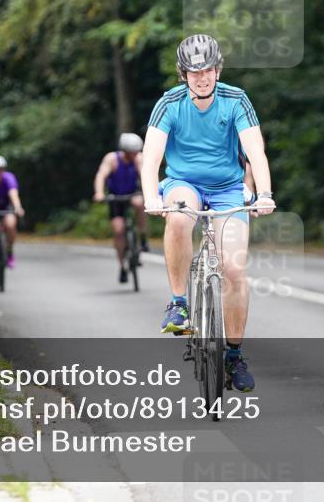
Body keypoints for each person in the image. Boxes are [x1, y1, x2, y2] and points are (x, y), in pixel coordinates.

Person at [141, 33, 275, 393]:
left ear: (218, 70)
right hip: (184, 182)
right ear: (183, 74)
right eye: (194, 72)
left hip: (229, 187)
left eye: (208, 70)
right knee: (180, 217)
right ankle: (179, 304)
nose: (202, 78)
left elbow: (256, 152)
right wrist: (151, 195)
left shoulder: (236, 100)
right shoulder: (169, 103)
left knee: (234, 268)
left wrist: (264, 193)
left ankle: (233, 355)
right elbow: (152, 157)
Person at [93, 132, 149, 283]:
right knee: (118, 231)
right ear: (124, 151)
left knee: (139, 203)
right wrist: (99, 192)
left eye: (137, 151)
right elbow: (101, 176)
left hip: (133, 194)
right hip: (115, 197)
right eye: (132, 152)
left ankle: (142, 237)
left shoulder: (138, 159)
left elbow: (145, 174)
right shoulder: (112, 159)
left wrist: (149, 193)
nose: (135, 154)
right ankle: (122, 266)